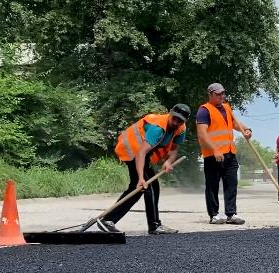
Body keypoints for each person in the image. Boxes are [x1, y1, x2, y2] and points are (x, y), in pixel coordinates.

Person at [106, 104, 190, 235]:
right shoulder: (158, 128)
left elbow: (174, 149)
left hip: (142, 152)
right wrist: (141, 178)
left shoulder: (181, 129)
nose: (176, 122)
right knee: (144, 186)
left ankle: (152, 224)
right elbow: (141, 153)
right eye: (174, 118)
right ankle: (111, 220)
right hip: (132, 149)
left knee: (151, 187)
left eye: (180, 121)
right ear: (170, 113)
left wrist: (169, 161)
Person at [197, 83, 252, 225]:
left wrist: (246, 130)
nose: (222, 96)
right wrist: (215, 149)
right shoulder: (204, 111)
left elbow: (234, 123)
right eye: (218, 94)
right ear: (210, 95)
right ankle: (214, 214)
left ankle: (231, 214)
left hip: (230, 153)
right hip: (213, 155)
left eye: (223, 93)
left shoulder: (227, 108)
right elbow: (202, 134)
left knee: (232, 184)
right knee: (212, 185)